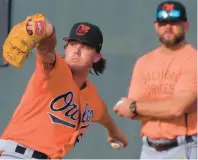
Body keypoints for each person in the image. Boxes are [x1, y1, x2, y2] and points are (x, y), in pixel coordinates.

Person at [0, 15, 128, 159]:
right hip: (17, 154)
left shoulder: (91, 96)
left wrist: (114, 131)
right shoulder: (55, 70)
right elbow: (47, 50)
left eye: (85, 47)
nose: (76, 51)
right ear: (66, 48)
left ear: (96, 57)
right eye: (72, 44)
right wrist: (48, 31)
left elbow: (102, 114)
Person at [113, 1, 197, 159]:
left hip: (184, 147)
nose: (168, 27)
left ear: (186, 25)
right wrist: (137, 107)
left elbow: (176, 108)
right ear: (156, 26)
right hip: (149, 150)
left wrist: (136, 107)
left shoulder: (193, 59)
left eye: (174, 22)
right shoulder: (143, 62)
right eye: (163, 22)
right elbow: (132, 112)